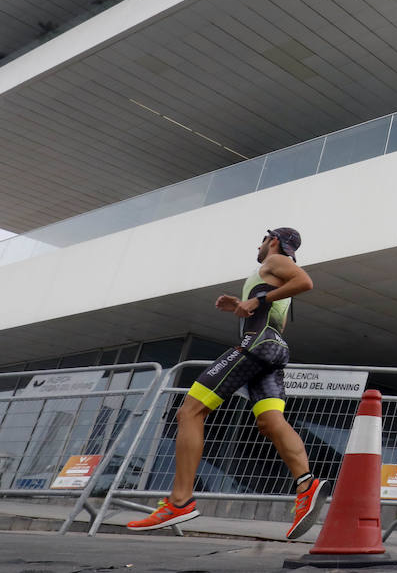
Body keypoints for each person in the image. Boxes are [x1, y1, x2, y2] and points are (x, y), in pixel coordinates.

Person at [128, 227, 326, 538]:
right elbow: (274, 317)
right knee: (271, 421)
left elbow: (305, 282)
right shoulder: (273, 277)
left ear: (273, 241)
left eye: (263, 240)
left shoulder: (273, 263)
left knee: (190, 412)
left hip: (257, 343)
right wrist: (241, 306)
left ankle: (180, 501)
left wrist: (257, 302)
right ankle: (306, 484)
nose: (259, 245)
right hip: (274, 349)